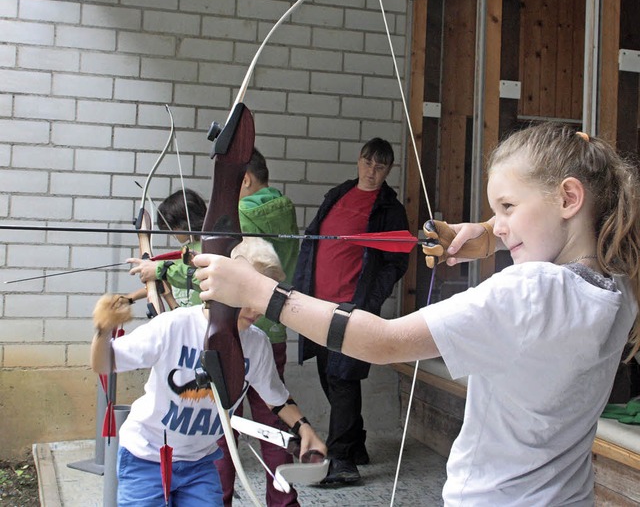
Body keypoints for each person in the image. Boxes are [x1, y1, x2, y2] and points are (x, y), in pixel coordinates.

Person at [194, 123, 640, 506]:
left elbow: (383, 341)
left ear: (568, 197)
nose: (497, 221)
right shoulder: (620, 282)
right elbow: (556, 228)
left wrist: (261, 291)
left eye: (507, 207)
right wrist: (488, 235)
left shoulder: (531, 292)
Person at [91, 237, 326, 507]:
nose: (256, 309)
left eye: (261, 298)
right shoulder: (174, 325)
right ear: (221, 285)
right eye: (246, 296)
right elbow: (104, 364)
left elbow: (277, 398)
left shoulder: (257, 343)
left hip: (200, 463)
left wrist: (304, 428)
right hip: (146, 456)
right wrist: (102, 330)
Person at [291, 137, 409, 484]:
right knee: (330, 374)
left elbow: (396, 262)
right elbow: (314, 242)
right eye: (368, 163)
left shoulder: (389, 209)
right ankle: (355, 444)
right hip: (317, 304)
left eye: (381, 166)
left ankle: (342, 462)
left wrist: (370, 300)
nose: (373, 171)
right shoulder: (338, 194)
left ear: (389, 170)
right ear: (359, 161)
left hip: (351, 307)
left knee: (343, 378)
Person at [216, 147, 301, 506]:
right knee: (273, 424)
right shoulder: (286, 207)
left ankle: (215, 499)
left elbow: (214, 264)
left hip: (239, 329)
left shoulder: (238, 214)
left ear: (246, 179)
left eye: (232, 183)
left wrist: (159, 269)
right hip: (276, 328)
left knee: (220, 429)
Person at [126, 188, 207, 306]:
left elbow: (195, 277)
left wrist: (160, 270)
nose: (171, 233)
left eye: (173, 227)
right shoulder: (185, 251)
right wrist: (130, 298)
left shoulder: (207, 248)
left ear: (183, 222)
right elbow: (172, 280)